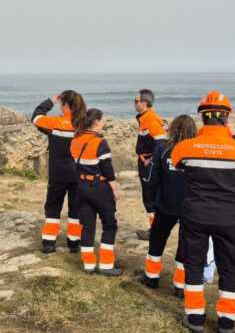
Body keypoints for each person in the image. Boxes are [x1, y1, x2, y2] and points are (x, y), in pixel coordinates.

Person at [171, 91, 235, 333]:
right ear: (226, 118)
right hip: (229, 217)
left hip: (195, 214)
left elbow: (177, 162)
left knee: (193, 264)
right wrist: (234, 136)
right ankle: (226, 323)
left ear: (202, 117)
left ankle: (195, 319)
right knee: (229, 266)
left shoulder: (185, 148)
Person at [141, 115, 197, 296]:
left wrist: (152, 201)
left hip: (166, 203)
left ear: (173, 129)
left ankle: (151, 277)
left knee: (157, 238)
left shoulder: (163, 149)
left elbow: (151, 179)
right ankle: (180, 286)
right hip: (190, 205)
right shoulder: (197, 151)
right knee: (186, 244)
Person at [32, 90, 86, 254]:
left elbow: (36, 117)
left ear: (65, 105)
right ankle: (74, 243)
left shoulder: (54, 123)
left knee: (53, 207)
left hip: (58, 174)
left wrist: (50, 101)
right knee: (76, 208)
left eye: (61, 103)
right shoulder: (84, 125)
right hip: (79, 173)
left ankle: (49, 243)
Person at [71, 108, 122, 276]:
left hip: (81, 187)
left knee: (87, 226)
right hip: (99, 188)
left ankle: (88, 264)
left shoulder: (75, 139)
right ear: (96, 122)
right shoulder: (100, 142)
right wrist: (115, 188)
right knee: (109, 224)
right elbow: (107, 169)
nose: (103, 122)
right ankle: (106, 265)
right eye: (102, 120)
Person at [134, 89, 167, 240]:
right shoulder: (145, 117)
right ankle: (155, 229)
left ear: (144, 103)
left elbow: (161, 143)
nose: (134, 104)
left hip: (148, 164)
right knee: (151, 197)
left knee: (149, 198)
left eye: (136, 101)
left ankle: (154, 231)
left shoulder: (150, 119)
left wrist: (151, 160)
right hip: (146, 161)